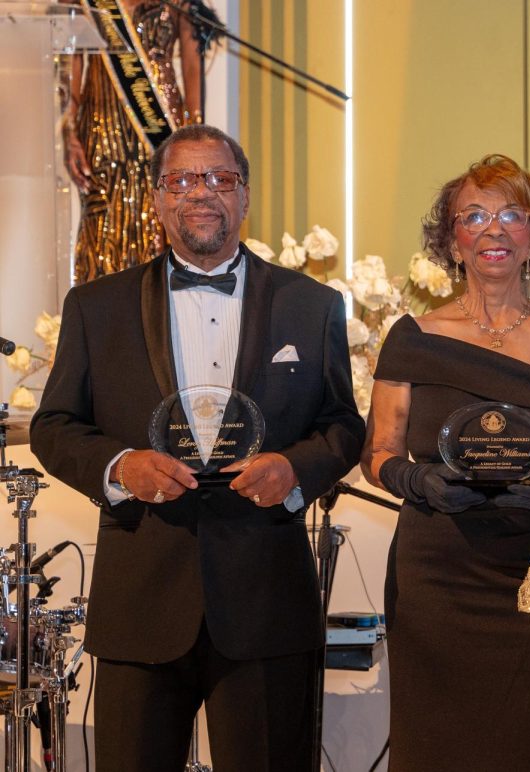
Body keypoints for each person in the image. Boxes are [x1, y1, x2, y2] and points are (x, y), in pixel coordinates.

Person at [30, 124, 365, 770]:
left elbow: (344, 425)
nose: (202, 193)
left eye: (220, 179)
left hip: (265, 601)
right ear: (157, 199)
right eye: (183, 179)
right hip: (139, 602)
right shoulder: (95, 308)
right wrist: (120, 467)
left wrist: (294, 468)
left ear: (244, 198)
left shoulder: (311, 305)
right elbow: (53, 426)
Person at [361, 154, 530, 771]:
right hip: (437, 573)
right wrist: (415, 480)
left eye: (511, 215)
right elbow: (378, 451)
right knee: (435, 746)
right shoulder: (412, 335)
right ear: (451, 242)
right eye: (474, 216)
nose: (493, 230)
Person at [62, 0, 203, 283]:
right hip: (100, 119)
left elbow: (192, 60)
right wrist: (67, 128)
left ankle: (159, 312)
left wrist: (196, 135)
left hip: (160, 123)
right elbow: (71, 57)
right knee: (102, 219)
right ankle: (99, 316)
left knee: (160, 217)